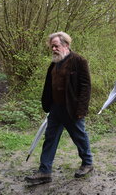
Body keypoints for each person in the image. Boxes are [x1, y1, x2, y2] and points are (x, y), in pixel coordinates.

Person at [25, 32, 93, 185]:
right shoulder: (54, 63)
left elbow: (86, 87)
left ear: (66, 45)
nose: (54, 49)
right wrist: (47, 104)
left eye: (56, 46)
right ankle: (44, 172)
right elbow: (49, 86)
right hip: (55, 109)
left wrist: (81, 109)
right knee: (50, 139)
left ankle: (88, 163)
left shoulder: (79, 61)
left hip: (72, 108)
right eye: (52, 47)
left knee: (79, 136)